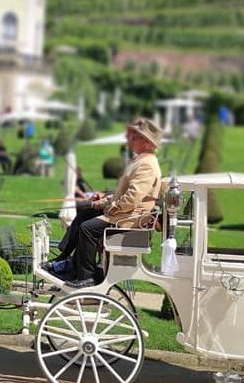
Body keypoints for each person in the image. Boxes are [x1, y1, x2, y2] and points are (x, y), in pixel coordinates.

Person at [42, 118, 163, 288]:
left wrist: (110, 207)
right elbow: (122, 193)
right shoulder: (140, 161)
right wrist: (102, 201)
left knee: (87, 228)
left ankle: (87, 276)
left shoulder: (147, 165)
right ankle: (65, 260)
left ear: (145, 142)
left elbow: (132, 198)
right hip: (124, 213)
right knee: (84, 214)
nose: (131, 139)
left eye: (135, 137)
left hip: (129, 218)